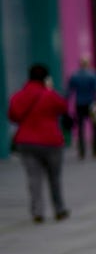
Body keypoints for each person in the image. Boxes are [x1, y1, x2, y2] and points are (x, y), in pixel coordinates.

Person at [8, 64, 70, 223]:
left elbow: (13, 116)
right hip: (51, 141)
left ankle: (37, 211)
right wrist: (50, 89)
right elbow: (63, 107)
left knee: (33, 178)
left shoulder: (19, 96)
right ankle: (59, 209)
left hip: (27, 142)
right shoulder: (50, 95)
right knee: (54, 178)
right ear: (46, 78)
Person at [66, 55, 96, 159]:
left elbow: (69, 92)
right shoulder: (94, 74)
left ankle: (82, 152)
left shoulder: (74, 76)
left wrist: (66, 104)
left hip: (80, 103)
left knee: (80, 128)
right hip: (93, 103)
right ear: (89, 63)